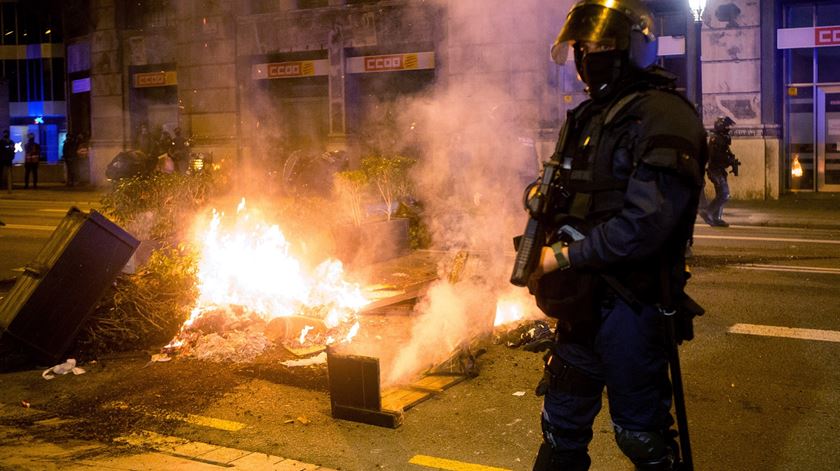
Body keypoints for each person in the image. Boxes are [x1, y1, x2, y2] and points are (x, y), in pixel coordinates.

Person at [522, 0, 707, 469]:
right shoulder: (587, 117)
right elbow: (575, 191)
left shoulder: (664, 115)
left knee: (639, 436)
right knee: (560, 429)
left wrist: (561, 257)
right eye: (582, 47)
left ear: (634, 47)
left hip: (633, 304)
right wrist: (540, 197)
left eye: (601, 45)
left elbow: (646, 224)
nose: (588, 56)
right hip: (580, 303)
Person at [699, 116, 738, 227]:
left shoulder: (722, 138)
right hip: (715, 170)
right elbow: (715, 156)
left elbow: (725, 153)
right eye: (726, 126)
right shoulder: (715, 139)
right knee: (724, 194)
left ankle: (716, 219)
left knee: (721, 194)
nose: (728, 128)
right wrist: (728, 160)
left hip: (719, 170)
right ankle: (708, 212)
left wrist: (731, 160)